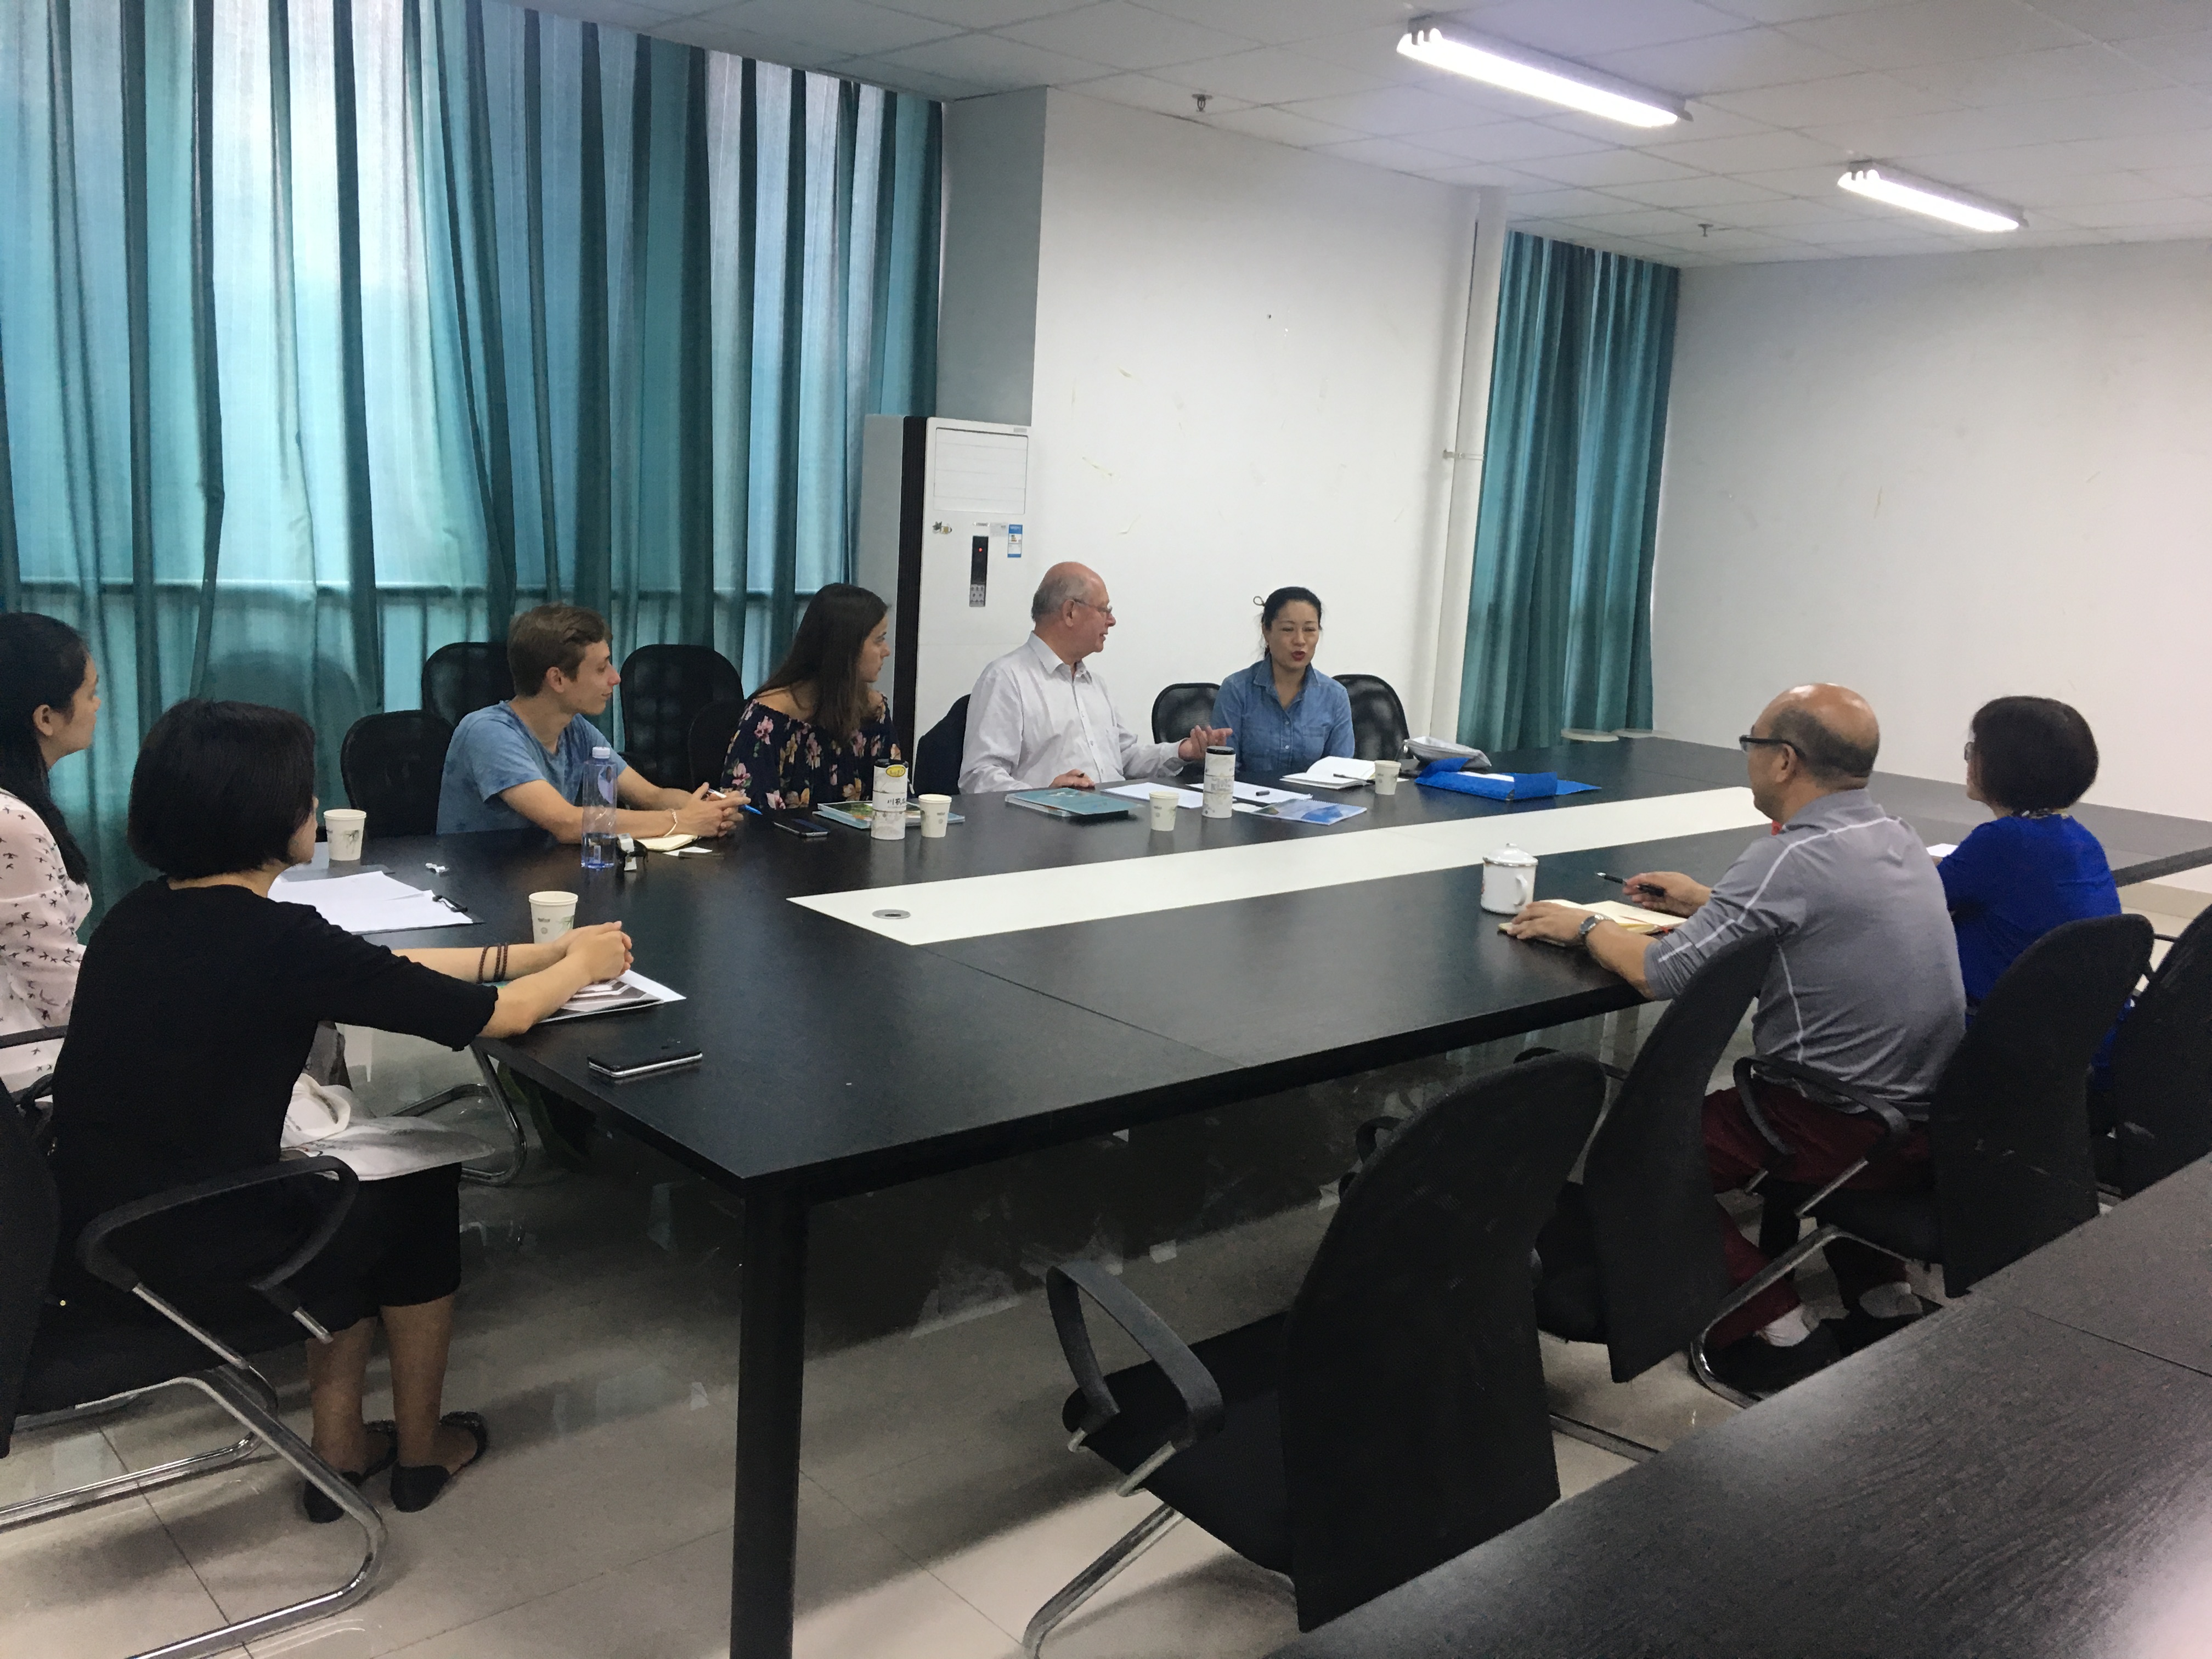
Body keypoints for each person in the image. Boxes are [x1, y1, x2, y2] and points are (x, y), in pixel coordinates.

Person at [52, 700, 635, 1516]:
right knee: (414, 1192)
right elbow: (503, 1017)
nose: (317, 807)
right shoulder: (279, 940)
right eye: (305, 792)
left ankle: (343, 1449)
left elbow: (378, 968)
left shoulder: (139, 915)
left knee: (359, 1187)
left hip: (99, 1230)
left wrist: (544, 952)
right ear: (264, 814)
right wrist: (584, 965)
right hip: (191, 1251)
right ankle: (420, 1452)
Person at [1503, 684, 1965, 1395]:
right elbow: (1811, 912)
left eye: (1752, 743)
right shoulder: (1894, 836)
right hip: (1922, 1121)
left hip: (1829, 1122)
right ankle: (1883, 1299)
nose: (1747, 756)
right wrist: (1706, 901)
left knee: (1634, 1161)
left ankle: (1775, 1326)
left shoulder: (1788, 858)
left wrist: (1586, 926)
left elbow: (1659, 973)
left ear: (1784, 760)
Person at [436, 605, 740, 840]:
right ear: (557, 679)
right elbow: (566, 823)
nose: (615, 678)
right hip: (479, 889)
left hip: (541, 879)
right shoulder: (488, 733)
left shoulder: (576, 730)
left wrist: (710, 809)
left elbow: (651, 796)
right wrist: (681, 821)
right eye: (601, 668)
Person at [960, 562, 1229, 793]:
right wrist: (1042, 795)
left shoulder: (1095, 684)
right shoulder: (1007, 679)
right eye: (1104, 610)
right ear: (1070, 612)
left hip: (1113, 818)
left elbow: (1124, 758)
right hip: (1045, 828)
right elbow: (978, 776)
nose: (1111, 621)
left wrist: (1182, 751)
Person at [1940, 696, 2121, 1012]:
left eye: (1975, 751)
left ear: (2005, 766)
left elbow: (1917, 898)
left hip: (1996, 1028)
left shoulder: (2003, 841)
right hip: (2079, 1028)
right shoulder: (2081, 838)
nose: (1968, 762)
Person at [0, 614, 101, 1096]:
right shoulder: (10, 824)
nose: (98, 706)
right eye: (90, 693)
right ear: (45, 717)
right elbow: (59, 996)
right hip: (26, 1072)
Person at [719, 584, 901, 809]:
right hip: (785, 834)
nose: (887, 651)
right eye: (879, 640)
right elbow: (747, 814)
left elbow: (896, 802)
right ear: (845, 647)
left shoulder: (873, 711)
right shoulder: (768, 719)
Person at [1210, 586, 1354, 778]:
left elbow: (1340, 774)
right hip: (1246, 796)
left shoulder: (1335, 696)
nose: (1300, 640)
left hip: (1313, 798)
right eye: (1288, 629)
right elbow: (1223, 771)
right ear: (1266, 631)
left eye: (1310, 630)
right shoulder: (1236, 690)